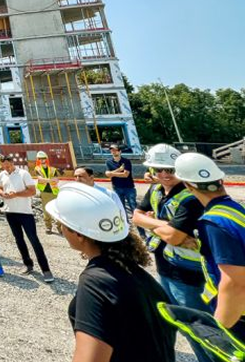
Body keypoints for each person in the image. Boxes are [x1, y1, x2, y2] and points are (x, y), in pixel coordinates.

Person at [46, 182, 176, 362]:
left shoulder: (95, 281)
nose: (61, 229)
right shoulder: (133, 271)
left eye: (62, 224)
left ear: (79, 234)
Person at [131, 144, 211, 362]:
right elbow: (136, 217)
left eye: (170, 169)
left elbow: (174, 237)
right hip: (165, 268)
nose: (164, 174)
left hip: (189, 274)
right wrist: (164, 225)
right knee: (172, 323)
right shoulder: (156, 190)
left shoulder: (190, 196)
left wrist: (154, 224)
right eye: (159, 170)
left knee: (199, 329)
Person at [174, 152, 245, 342]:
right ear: (220, 180)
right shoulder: (234, 210)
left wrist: (220, 331)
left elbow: (235, 283)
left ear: (188, 186)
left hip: (239, 315)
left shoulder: (213, 222)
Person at [0, 154, 54, 282]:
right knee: (19, 239)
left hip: (25, 212)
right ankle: (28, 264)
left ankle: (46, 269)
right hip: (10, 212)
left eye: (8, 164)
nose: (6, 167)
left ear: (12, 162)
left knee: (34, 240)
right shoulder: (2, 175)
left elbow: (32, 191)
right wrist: (3, 194)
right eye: (3, 165)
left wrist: (16, 194)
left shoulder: (23, 174)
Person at [105, 144, 142, 236]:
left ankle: (141, 231)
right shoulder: (108, 162)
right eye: (112, 150)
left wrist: (112, 173)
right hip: (117, 188)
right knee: (121, 209)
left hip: (128, 188)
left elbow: (125, 175)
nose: (113, 152)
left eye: (115, 150)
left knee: (134, 208)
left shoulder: (126, 161)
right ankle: (127, 230)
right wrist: (119, 170)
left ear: (120, 151)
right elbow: (107, 174)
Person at [33, 150, 61, 234]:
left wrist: (47, 180)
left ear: (46, 159)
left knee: (57, 210)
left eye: (43, 158)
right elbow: (40, 179)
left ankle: (60, 227)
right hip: (45, 192)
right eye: (40, 159)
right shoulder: (37, 169)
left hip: (54, 192)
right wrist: (50, 180)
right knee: (46, 210)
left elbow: (56, 180)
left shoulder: (53, 169)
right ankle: (48, 227)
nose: (42, 160)